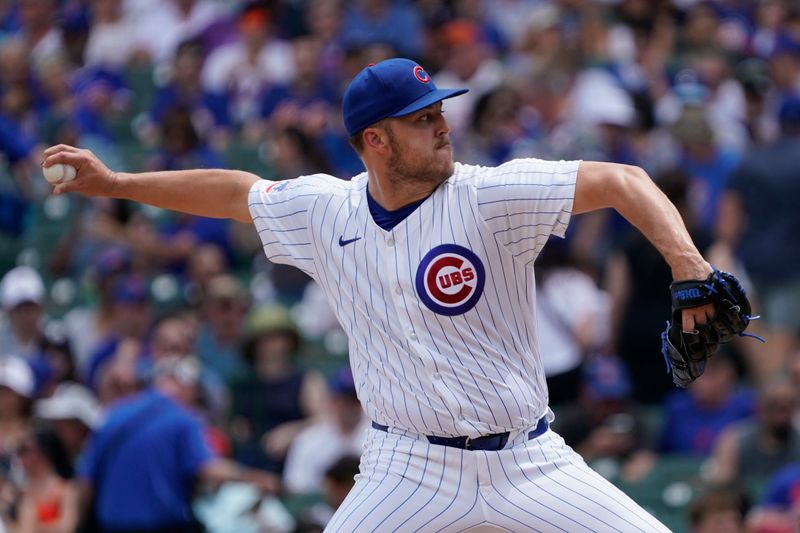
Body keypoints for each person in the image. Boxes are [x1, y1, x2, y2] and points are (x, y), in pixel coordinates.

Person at [42, 57, 721, 531]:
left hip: (528, 457)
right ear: (377, 140)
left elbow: (625, 180)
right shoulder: (326, 209)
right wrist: (119, 184)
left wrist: (689, 270)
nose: (442, 125)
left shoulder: (487, 196)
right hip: (410, 465)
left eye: (438, 111)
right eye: (421, 118)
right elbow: (232, 191)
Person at [76, 356, 277, 533]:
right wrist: (255, 477)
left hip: (111, 527)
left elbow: (86, 480)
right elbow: (208, 468)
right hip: (162, 526)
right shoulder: (183, 418)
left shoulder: (113, 415)